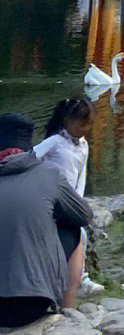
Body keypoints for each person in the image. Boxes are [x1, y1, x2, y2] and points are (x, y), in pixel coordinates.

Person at [0, 111, 93, 328]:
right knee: (74, 230)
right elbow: (84, 215)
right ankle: (65, 316)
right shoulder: (49, 174)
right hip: (32, 304)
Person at [34, 96, 102, 301]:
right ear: (67, 121)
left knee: (79, 235)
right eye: (81, 123)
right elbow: (32, 157)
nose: (85, 128)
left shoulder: (83, 145)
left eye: (88, 124)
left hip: (71, 202)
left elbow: (81, 176)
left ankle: (79, 279)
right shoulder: (55, 142)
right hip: (52, 200)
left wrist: (79, 204)